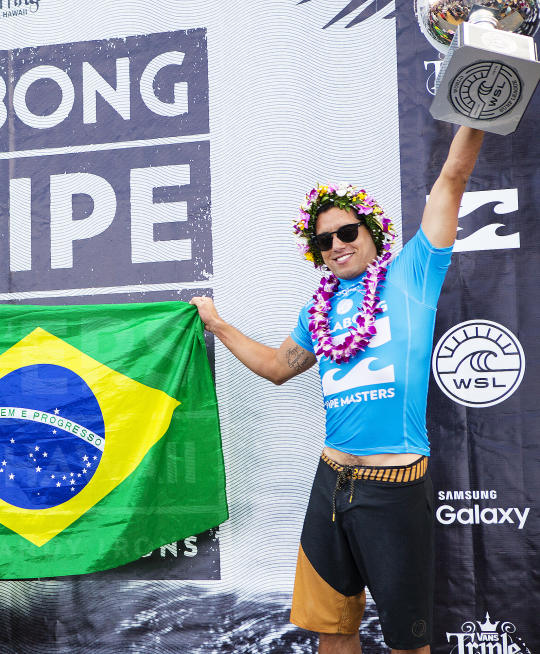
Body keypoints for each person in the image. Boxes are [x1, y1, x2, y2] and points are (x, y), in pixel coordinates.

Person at [190, 125, 484, 654]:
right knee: (333, 627)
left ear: (372, 232)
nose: (337, 246)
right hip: (331, 483)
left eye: (347, 233)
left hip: (393, 488)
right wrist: (217, 324)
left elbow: (451, 180)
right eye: (324, 240)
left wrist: (478, 110)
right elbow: (280, 367)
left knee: (407, 642)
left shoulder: (413, 274)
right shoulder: (316, 311)